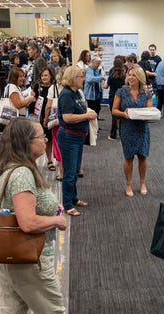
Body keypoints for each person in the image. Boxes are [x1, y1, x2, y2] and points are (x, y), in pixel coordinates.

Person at [0, 119, 100, 314]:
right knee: (50, 302)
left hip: (10, 255)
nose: (45, 139)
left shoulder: (10, 169)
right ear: (26, 143)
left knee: (13, 309)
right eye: (40, 136)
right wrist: (55, 221)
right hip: (29, 256)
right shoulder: (22, 174)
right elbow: (27, 222)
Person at [57, 66, 96, 217]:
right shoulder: (66, 94)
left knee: (74, 170)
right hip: (69, 137)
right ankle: (67, 204)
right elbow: (67, 117)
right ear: (73, 78)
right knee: (69, 172)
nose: (83, 78)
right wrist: (87, 116)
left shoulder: (76, 93)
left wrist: (87, 113)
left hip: (77, 136)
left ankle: (73, 198)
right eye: (81, 76)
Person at [111, 65, 153, 197]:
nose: (130, 77)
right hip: (127, 127)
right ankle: (128, 184)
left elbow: (150, 111)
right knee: (128, 157)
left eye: (133, 75)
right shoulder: (121, 92)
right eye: (129, 75)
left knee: (143, 156)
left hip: (142, 128)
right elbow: (114, 110)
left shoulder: (146, 93)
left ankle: (142, 183)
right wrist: (124, 114)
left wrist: (147, 115)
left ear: (140, 77)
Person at [34, 67, 59, 173]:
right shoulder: (37, 86)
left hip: (52, 117)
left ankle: (57, 159)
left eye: (46, 75)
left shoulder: (55, 88)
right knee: (43, 139)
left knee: (54, 139)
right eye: (42, 75)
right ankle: (49, 160)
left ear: (51, 76)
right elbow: (33, 101)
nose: (44, 77)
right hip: (40, 117)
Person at [106, 58, 126, 140]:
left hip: (113, 96)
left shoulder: (111, 76)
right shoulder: (124, 76)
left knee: (114, 116)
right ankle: (122, 134)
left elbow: (106, 86)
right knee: (121, 116)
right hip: (122, 96)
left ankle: (113, 135)